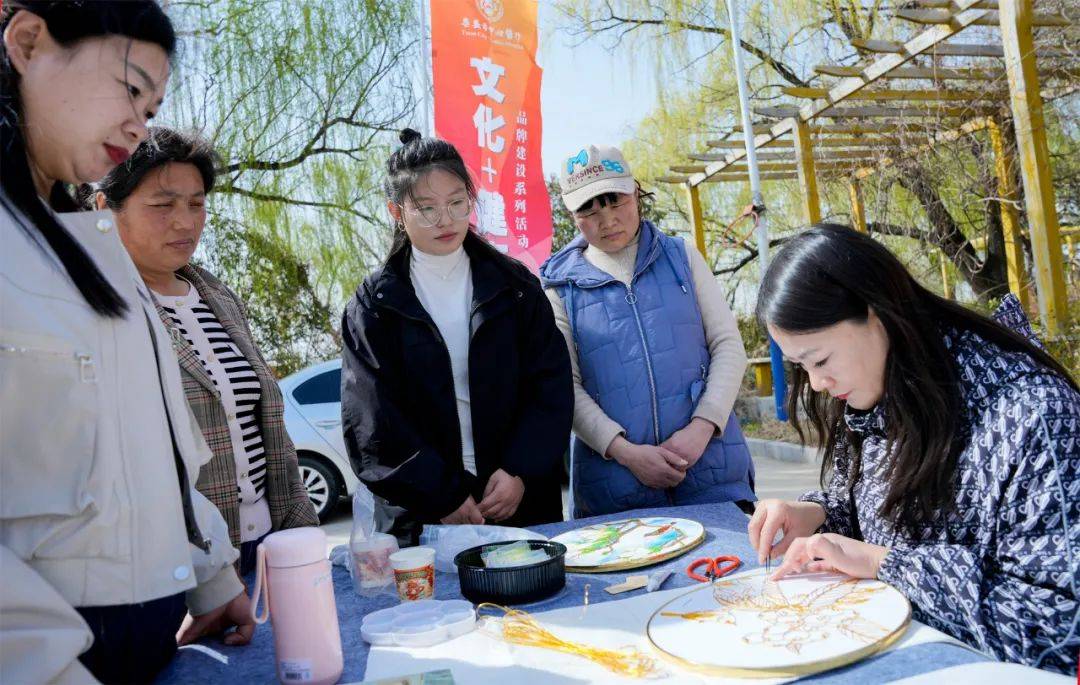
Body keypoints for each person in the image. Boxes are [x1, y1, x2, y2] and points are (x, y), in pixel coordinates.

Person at [0, 3, 255, 683]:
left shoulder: (91, 248)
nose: (140, 123)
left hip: (146, 645)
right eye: (130, 86)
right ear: (27, 42)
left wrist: (210, 576)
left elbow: (154, 451)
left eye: (154, 102)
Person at [749, 224, 1079, 674]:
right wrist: (817, 515)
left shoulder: (1032, 414)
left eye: (821, 360)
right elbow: (878, 510)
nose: (818, 384)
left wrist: (886, 565)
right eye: (801, 367)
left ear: (877, 314)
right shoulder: (888, 389)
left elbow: (1057, 628)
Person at [92, 127, 319, 575]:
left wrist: (299, 530)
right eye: (162, 205)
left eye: (196, 204)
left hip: (269, 543)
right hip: (177, 563)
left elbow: (266, 424)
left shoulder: (216, 296)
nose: (185, 221)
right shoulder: (100, 309)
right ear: (104, 209)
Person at [340, 129, 573, 543]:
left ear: (471, 199)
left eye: (456, 202)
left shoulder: (514, 286)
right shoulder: (375, 304)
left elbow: (549, 386)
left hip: (519, 501)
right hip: (424, 516)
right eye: (426, 208)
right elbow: (373, 420)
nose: (445, 220)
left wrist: (519, 468)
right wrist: (440, 495)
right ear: (397, 212)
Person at [539, 144, 754, 518]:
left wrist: (702, 428)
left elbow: (728, 346)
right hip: (614, 490)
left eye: (616, 200)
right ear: (572, 214)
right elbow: (565, 387)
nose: (606, 219)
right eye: (589, 207)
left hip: (711, 473)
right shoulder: (559, 288)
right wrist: (627, 454)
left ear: (636, 193)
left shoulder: (682, 257)